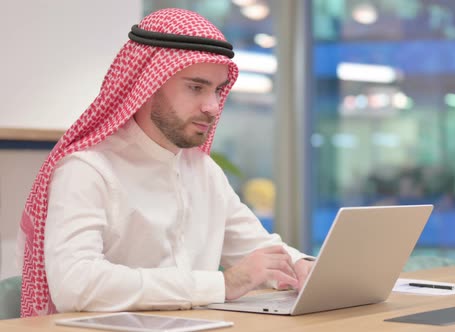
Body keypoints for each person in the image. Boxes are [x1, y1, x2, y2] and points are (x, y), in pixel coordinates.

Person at [17, 8, 314, 317]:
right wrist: (222, 284)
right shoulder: (87, 169)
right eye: (196, 87)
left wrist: (301, 265)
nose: (212, 107)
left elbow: (258, 249)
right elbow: (75, 285)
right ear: (146, 85)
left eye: (217, 90)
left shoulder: (203, 171)